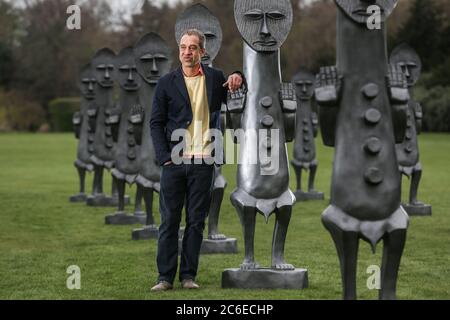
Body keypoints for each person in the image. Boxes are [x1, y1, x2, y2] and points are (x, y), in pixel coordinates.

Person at [150, 29, 243, 291]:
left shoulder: (215, 79)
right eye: (183, 47)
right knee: (169, 221)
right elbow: (155, 123)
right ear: (179, 50)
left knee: (195, 222)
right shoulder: (166, 83)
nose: (187, 52)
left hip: (203, 162)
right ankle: (165, 278)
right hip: (174, 163)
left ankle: (188, 276)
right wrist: (164, 158)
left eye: (192, 47)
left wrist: (239, 76)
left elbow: (237, 93)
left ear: (202, 52)